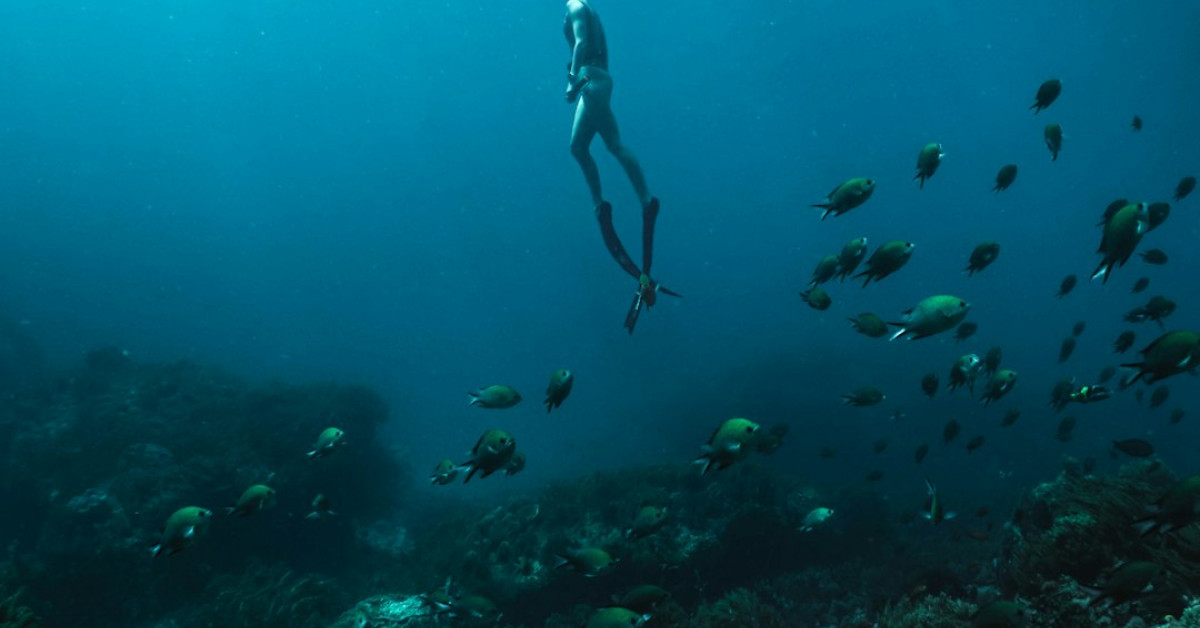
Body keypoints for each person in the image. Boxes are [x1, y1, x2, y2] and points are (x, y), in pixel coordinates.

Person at [564, 0, 679, 333]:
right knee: (579, 147)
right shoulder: (589, 7)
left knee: (611, 144)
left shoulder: (574, 4)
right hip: (596, 78)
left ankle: (644, 200)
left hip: (589, 79)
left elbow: (583, 42)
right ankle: (605, 204)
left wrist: (572, 80)